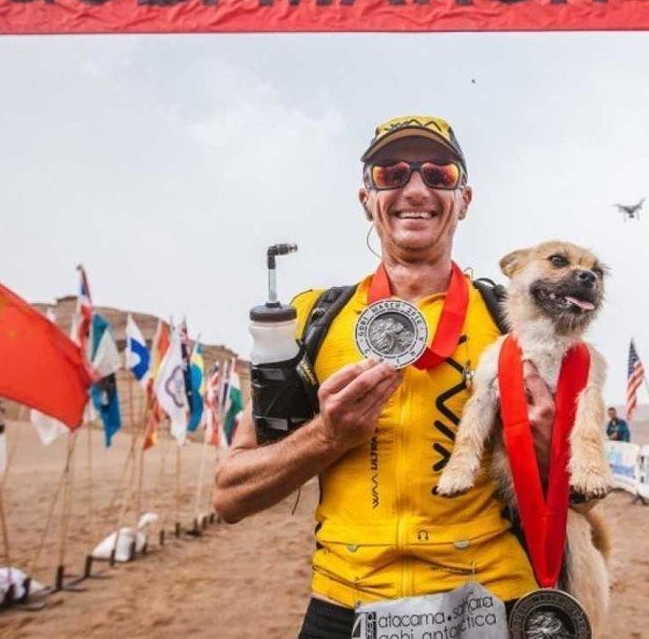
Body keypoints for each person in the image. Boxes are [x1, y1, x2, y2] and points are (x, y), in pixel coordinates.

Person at [213, 115, 561, 638]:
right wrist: (327, 437)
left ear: (465, 198)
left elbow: (583, 493)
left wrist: (546, 445)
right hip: (345, 600)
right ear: (366, 197)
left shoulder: (514, 323)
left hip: (489, 597)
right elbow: (231, 496)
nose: (416, 189)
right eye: (392, 172)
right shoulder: (310, 321)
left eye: (439, 174)